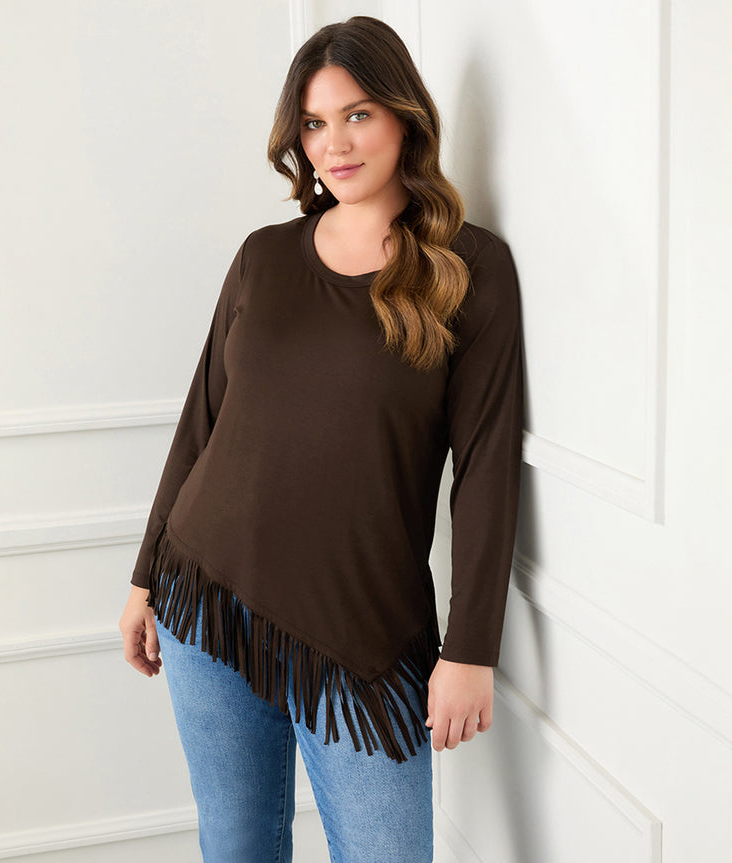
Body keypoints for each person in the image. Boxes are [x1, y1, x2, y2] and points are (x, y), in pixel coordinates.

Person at [119, 14, 523, 863]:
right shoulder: (263, 257)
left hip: (362, 634)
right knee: (237, 844)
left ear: (405, 116)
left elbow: (486, 466)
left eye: (357, 115)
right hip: (209, 600)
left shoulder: (469, 268)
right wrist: (145, 575)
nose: (332, 144)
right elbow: (202, 423)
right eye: (313, 122)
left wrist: (471, 648)